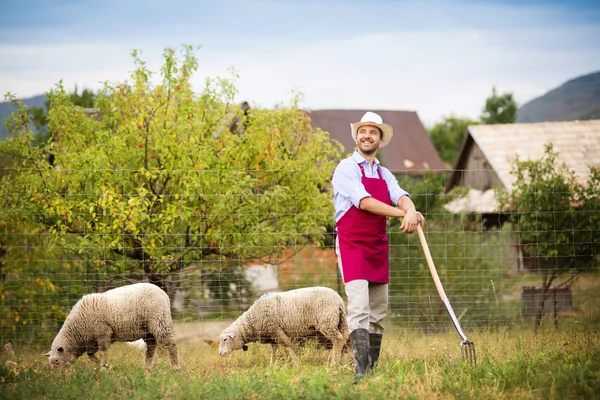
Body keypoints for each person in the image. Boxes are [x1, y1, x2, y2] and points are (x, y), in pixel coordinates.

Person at [332, 111, 424, 383]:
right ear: (356, 137)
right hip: (352, 245)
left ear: (380, 140)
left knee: (379, 311)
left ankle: (372, 367)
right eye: (363, 131)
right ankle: (360, 369)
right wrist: (402, 214)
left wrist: (412, 209)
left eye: (373, 132)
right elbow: (364, 202)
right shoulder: (346, 168)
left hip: (376, 246)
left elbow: (401, 196)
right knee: (359, 307)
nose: (367, 135)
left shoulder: (384, 173)